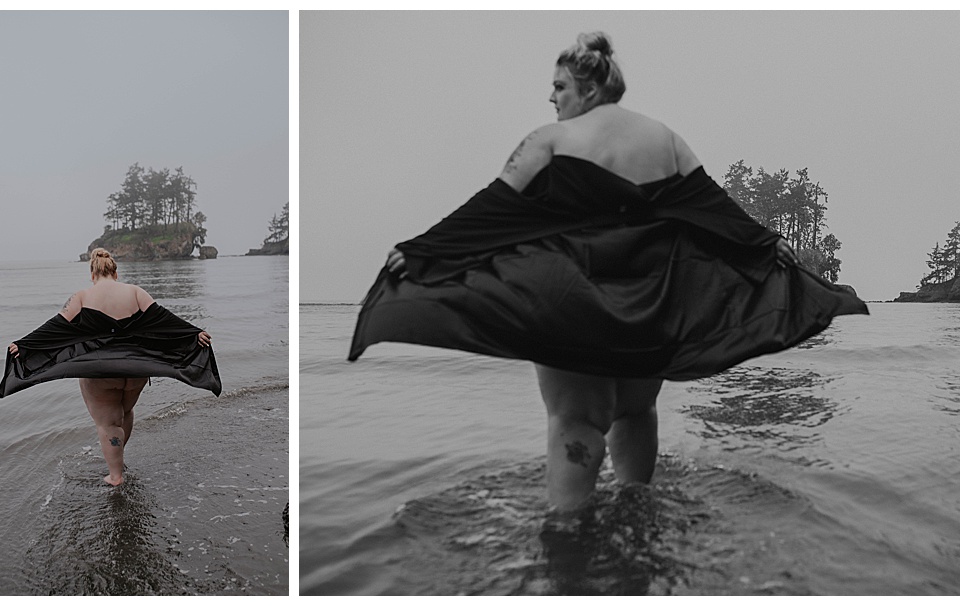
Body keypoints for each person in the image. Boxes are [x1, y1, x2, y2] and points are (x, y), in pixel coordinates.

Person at [351, 33, 867, 511]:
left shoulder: (551, 139)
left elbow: (491, 209)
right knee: (636, 410)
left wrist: (424, 252)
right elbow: (714, 208)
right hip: (653, 299)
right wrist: (767, 245)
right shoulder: (664, 139)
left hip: (572, 296)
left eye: (559, 86)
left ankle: (569, 539)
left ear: (590, 87)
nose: (552, 98)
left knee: (574, 419)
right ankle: (636, 509)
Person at [0, 248, 219, 486]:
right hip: (137, 369)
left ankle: (115, 476)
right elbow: (165, 319)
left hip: (100, 372)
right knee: (125, 413)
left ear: (92, 274)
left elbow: (55, 327)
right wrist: (194, 334)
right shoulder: (135, 292)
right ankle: (118, 459)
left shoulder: (82, 297)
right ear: (116, 272)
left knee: (108, 423)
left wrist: (25, 345)